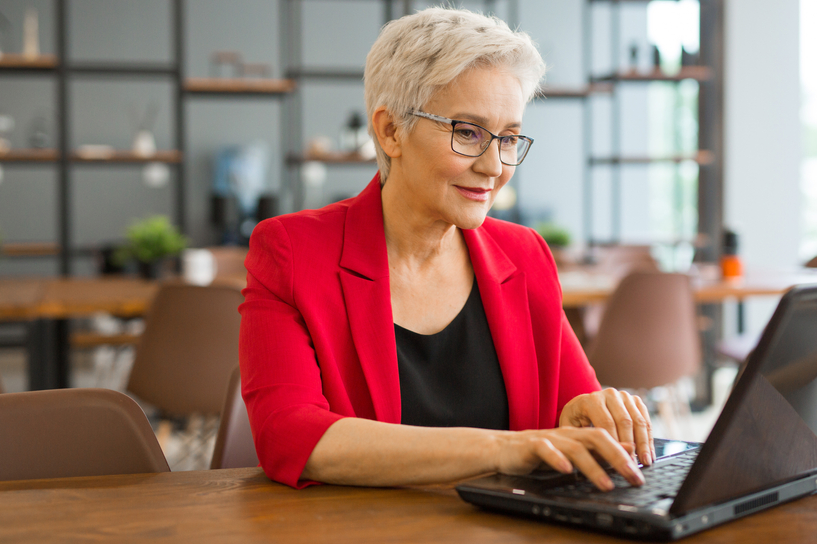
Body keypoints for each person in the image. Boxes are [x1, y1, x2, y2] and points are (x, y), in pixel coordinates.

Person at [239, 7, 655, 492]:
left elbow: (574, 410)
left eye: (510, 138)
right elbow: (288, 435)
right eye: (468, 132)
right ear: (391, 131)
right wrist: (503, 448)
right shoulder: (290, 251)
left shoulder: (523, 254)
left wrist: (591, 414)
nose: (495, 166)